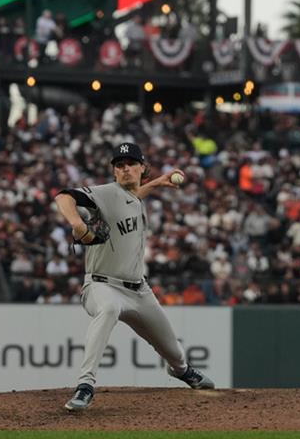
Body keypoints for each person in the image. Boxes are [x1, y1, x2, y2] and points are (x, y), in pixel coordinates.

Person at [52, 142, 215, 412]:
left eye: (130, 164)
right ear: (114, 172)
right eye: (119, 165)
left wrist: (159, 183)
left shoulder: (133, 196)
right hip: (101, 285)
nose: (124, 168)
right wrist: (78, 223)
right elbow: (62, 197)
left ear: (142, 168)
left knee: (173, 350)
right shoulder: (106, 193)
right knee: (109, 309)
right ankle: (85, 385)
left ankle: (181, 370)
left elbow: (133, 195)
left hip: (139, 291)